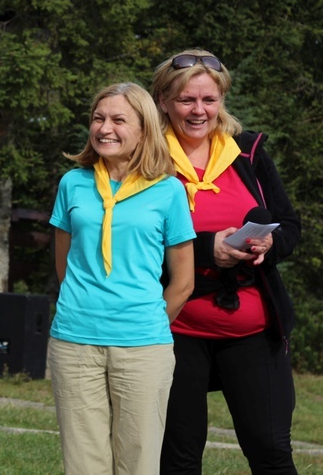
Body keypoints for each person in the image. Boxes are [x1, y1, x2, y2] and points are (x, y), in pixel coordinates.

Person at [151, 49, 301, 474]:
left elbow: (290, 225)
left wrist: (269, 245)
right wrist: (204, 249)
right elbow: (129, 241)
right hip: (175, 329)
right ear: (163, 101)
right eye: (187, 100)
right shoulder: (146, 159)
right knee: (178, 460)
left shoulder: (248, 154)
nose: (199, 111)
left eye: (209, 100)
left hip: (254, 331)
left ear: (222, 101)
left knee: (272, 453)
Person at [48, 82, 196, 474]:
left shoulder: (168, 191)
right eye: (98, 118)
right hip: (74, 343)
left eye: (118, 120)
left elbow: (183, 281)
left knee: (139, 463)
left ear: (145, 129)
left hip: (143, 347)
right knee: (83, 465)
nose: (104, 128)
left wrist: (145, 325)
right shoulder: (72, 183)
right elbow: (64, 265)